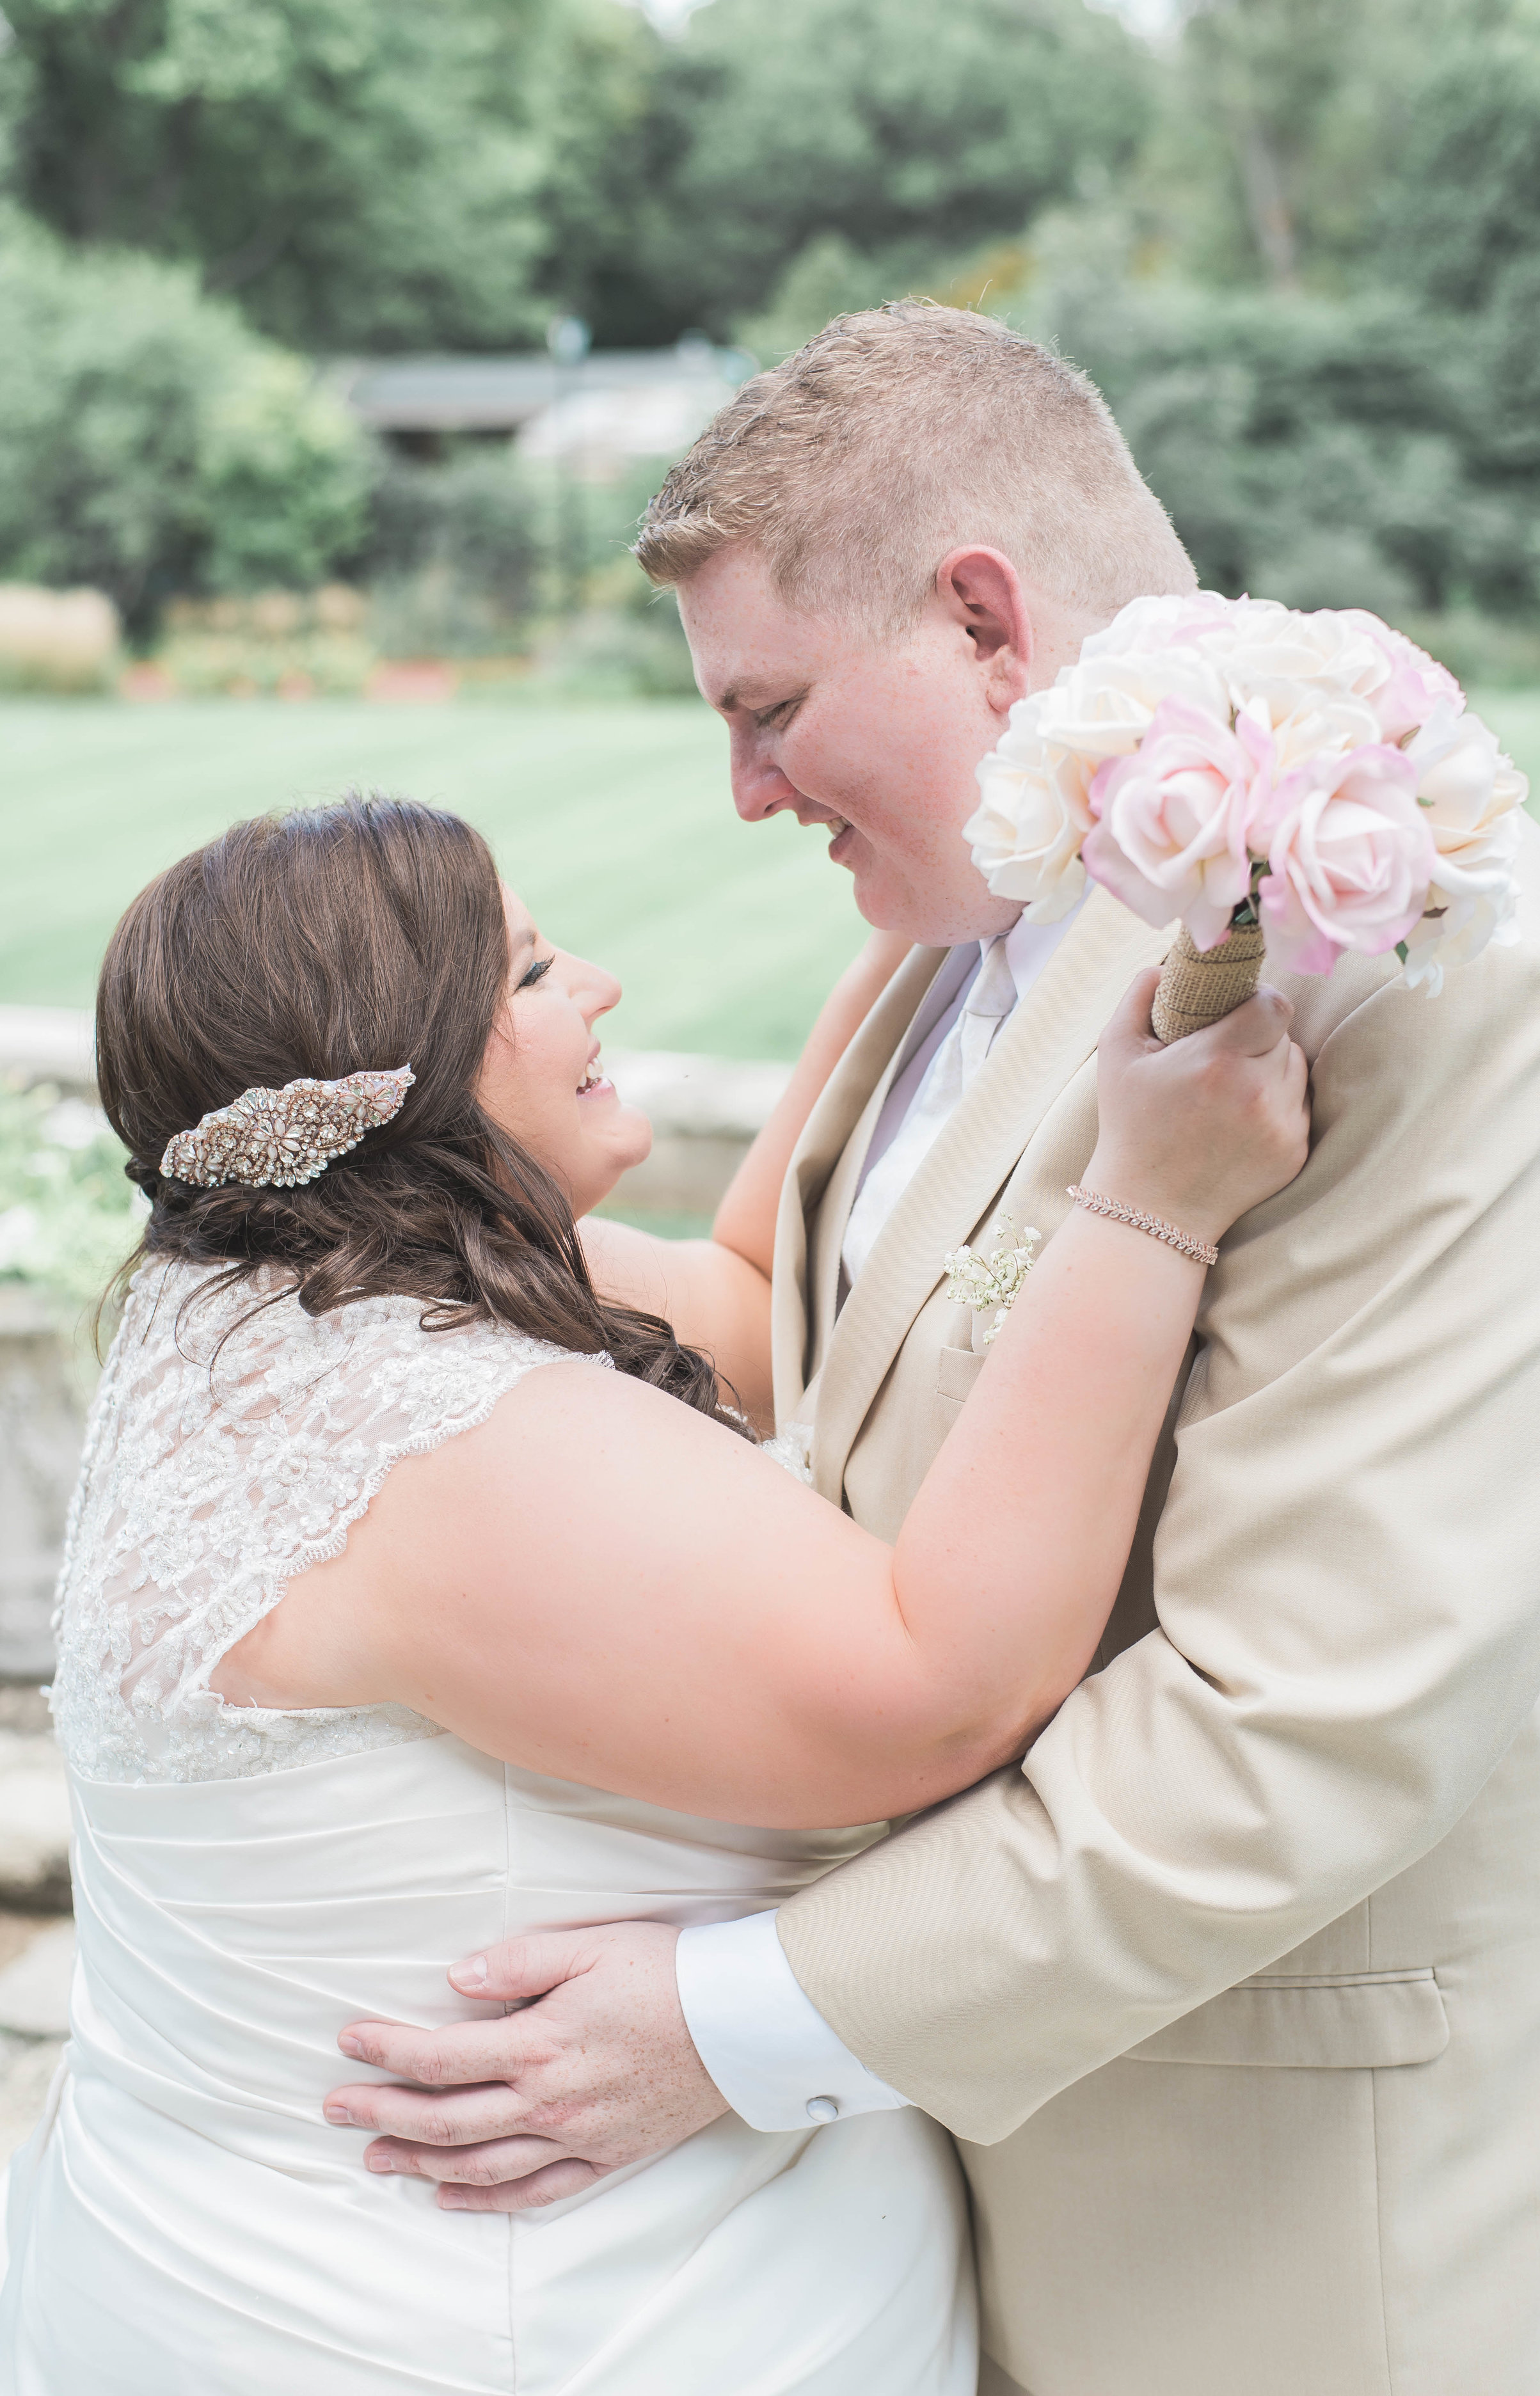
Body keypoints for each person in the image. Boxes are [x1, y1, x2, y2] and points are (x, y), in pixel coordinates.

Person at [340, 305, 1540, 2396]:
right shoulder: (952, 918)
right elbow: (788, 1328)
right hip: (940, 2198)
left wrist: (723, 2023)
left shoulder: (1419, 960)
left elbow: (1307, 1721)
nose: (743, 794)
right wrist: (374, 1252)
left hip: (1274, 2228)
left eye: (770, 710)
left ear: (988, 620)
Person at [0, 793, 1306, 2393]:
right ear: (389, 1078)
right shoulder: (444, 1437)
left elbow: (749, 1307)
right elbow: (944, 1685)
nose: (598, 986)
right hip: (515, 2325)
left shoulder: (264, 1294)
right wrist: (1153, 1199)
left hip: (216, 2252)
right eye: (533, 972)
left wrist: (944, 900)